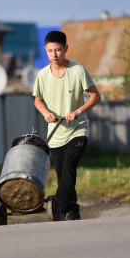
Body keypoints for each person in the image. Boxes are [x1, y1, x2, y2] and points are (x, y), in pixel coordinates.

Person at [33, 30, 101, 220]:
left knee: (70, 167)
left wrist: (78, 111)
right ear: (45, 50)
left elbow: (96, 96)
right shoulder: (42, 75)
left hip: (78, 129)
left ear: (66, 49)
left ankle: (56, 203)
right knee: (63, 176)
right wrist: (46, 113)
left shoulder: (78, 70)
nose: (54, 55)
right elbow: (37, 100)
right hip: (55, 133)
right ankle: (71, 211)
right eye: (50, 51)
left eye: (58, 50)